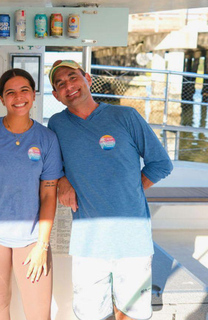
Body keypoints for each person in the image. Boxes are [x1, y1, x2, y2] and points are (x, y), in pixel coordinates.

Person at [47, 60, 173, 320]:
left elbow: (161, 164)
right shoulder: (57, 125)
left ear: (88, 79)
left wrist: (129, 190)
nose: (69, 86)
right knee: (91, 313)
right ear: (56, 96)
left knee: (132, 312)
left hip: (132, 235)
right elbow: (52, 167)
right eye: (61, 84)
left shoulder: (125, 116)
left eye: (73, 77)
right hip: (88, 239)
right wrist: (61, 180)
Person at [0, 68, 63, 320]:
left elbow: (48, 195)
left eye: (24, 90)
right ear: (2, 99)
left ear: (33, 95)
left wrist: (42, 244)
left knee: (39, 314)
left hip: (32, 239)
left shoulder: (47, 139)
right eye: (10, 92)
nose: (18, 97)